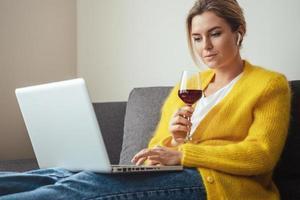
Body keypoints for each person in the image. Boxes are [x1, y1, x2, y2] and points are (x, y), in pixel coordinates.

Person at [0, 0, 291, 199]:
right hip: (178, 173)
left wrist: (184, 154)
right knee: (61, 174)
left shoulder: (268, 85)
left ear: (237, 33)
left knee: (88, 185)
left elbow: (260, 155)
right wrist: (175, 140)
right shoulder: (189, 85)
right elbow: (159, 151)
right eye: (197, 38)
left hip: (223, 187)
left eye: (215, 34)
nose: (206, 47)